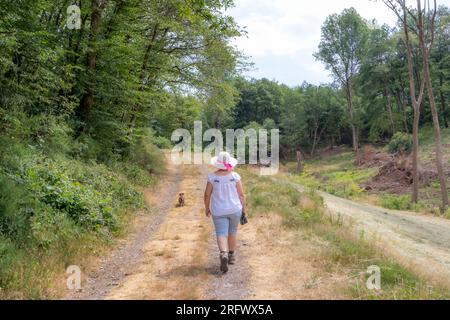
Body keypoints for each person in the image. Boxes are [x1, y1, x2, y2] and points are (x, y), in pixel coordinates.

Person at [204, 151, 246, 273]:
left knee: (221, 233)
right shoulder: (235, 176)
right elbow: (241, 195)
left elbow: (207, 194)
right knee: (232, 232)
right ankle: (231, 256)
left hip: (218, 210)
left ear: (217, 164)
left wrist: (207, 208)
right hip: (235, 209)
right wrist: (244, 209)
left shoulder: (212, 177)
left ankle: (224, 254)